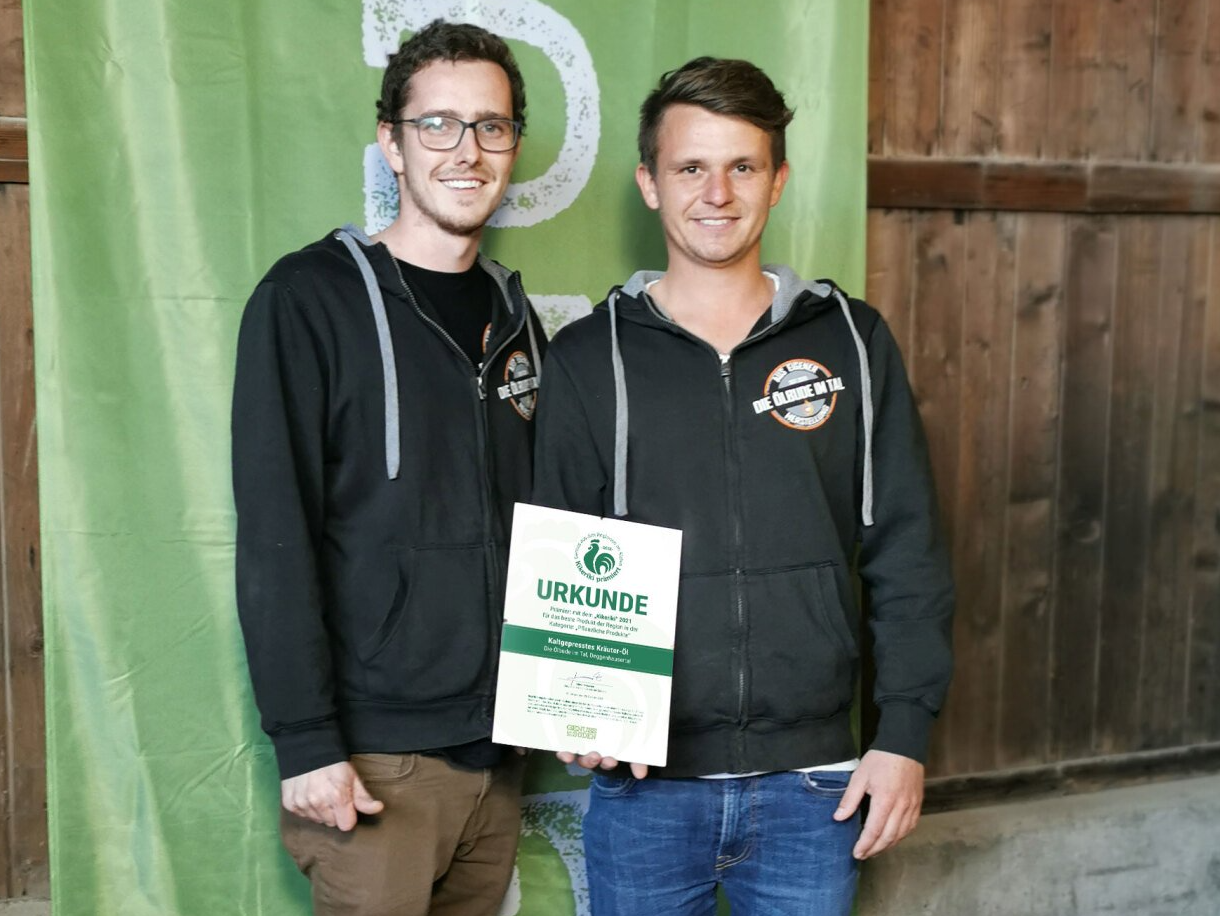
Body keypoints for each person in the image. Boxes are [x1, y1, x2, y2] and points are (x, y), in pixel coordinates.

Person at [532, 57, 954, 916]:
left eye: (742, 167)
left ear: (778, 180)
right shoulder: (587, 358)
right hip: (645, 788)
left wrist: (904, 735)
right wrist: (576, 713)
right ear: (650, 183)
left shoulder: (852, 340)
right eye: (690, 167)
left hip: (816, 785)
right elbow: (561, 552)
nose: (717, 193)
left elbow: (906, 549)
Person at [231, 19, 544, 916]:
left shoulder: (515, 317)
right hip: (374, 763)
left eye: (490, 125)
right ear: (392, 144)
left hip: (498, 757)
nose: (466, 150)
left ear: (513, 145)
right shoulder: (308, 299)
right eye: (437, 124)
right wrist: (306, 741)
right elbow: (275, 531)